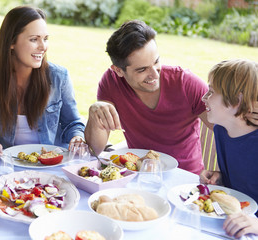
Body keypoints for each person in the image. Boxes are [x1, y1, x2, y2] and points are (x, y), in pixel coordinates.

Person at [84, 20, 212, 174]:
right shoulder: (111, 83)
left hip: (186, 178)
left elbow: (227, 131)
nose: (154, 74)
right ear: (118, 71)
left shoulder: (186, 83)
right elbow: (95, 150)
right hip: (139, 175)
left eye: (156, 61)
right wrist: (94, 114)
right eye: (142, 69)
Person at [0, 6, 85, 162]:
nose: (43, 46)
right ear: (11, 41)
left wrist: (77, 137)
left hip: (51, 164)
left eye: (45, 39)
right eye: (34, 39)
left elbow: (72, 123)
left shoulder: (59, 77)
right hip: (7, 163)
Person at [199, 59, 258, 238]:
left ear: (237, 101)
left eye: (211, 92)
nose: (204, 97)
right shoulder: (221, 130)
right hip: (229, 223)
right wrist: (222, 177)